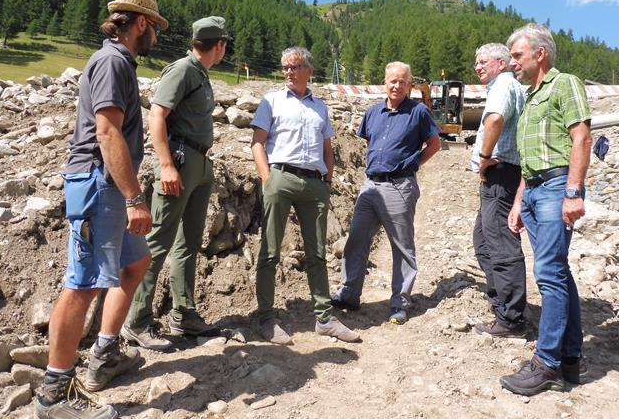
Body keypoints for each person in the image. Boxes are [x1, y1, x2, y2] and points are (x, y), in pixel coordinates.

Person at [35, 0, 167, 419]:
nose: (155, 37)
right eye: (154, 27)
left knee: (137, 262)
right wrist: (133, 197)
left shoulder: (118, 61)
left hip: (106, 183)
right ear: (141, 23)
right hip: (100, 184)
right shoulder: (112, 62)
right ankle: (55, 392)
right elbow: (108, 133)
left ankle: (106, 351)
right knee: (84, 284)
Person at [122, 17, 230, 351]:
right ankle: (136, 320)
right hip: (180, 162)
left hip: (198, 162)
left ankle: (184, 313)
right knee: (159, 241)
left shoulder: (200, 73)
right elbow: (156, 114)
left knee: (189, 242)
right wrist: (166, 164)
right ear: (220, 45)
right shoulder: (183, 69)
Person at [502, 23, 592, 396]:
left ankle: (547, 363)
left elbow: (582, 137)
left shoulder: (564, 83)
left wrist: (573, 192)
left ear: (540, 54)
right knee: (558, 270)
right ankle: (570, 360)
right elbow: (531, 160)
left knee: (549, 273)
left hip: (557, 187)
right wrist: (520, 200)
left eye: (517, 56)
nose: (511, 64)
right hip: (537, 188)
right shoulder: (529, 98)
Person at [251, 46, 360, 345]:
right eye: (285, 66)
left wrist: (327, 179)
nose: (288, 71)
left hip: (315, 183)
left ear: (309, 70)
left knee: (317, 254)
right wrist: (267, 179)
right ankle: (265, 318)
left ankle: (324, 318)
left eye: (294, 66)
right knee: (270, 251)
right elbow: (257, 143)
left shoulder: (320, 107)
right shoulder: (271, 101)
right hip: (280, 177)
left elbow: (328, 148)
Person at [331, 61, 440, 325]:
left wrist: (412, 164)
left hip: (400, 186)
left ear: (409, 85)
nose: (397, 85)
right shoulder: (373, 112)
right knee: (356, 239)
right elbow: (371, 143)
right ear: (385, 82)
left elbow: (434, 144)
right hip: (371, 186)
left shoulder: (418, 112)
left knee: (402, 247)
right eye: (393, 80)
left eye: (403, 81)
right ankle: (349, 293)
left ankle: (399, 303)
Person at [471, 43, 527, 337]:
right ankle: (504, 305)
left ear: (501, 63)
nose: (477, 66)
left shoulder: (503, 85)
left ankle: (512, 318)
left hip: (500, 174)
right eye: (476, 62)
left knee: (500, 244)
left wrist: (483, 158)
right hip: (501, 176)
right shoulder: (508, 85)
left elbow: (494, 118)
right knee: (483, 239)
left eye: (483, 61)